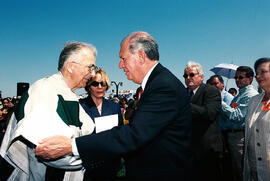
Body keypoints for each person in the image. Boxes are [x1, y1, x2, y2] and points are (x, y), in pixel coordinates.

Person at [35, 31, 193, 181]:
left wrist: (72, 146)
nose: (119, 65)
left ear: (141, 56)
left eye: (123, 59)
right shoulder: (158, 82)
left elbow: (134, 134)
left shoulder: (163, 85)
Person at [0, 42, 99, 180]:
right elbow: (50, 151)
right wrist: (99, 152)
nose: (93, 73)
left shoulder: (67, 93)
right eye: (90, 67)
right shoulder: (44, 90)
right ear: (70, 66)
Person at [79, 68, 124, 180]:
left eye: (102, 83)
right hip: (89, 166)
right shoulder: (80, 106)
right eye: (95, 83)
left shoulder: (114, 106)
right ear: (89, 86)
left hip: (111, 164)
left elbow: (121, 132)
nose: (99, 87)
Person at [184, 61, 223, 181]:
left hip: (208, 149)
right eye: (185, 76)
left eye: (191, 75)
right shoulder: (183, 93)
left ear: (201, 77)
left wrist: (185, 105)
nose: (188, 78)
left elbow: (209, 113)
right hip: (188, 148)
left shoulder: (211, 91)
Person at [220, 66, 258, 181]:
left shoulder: (249, 95)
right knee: (235, 169)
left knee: (240, 170)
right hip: (232, 135)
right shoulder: (240, 95)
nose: (237, 80)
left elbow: (236, 116)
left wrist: (220, 102)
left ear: (250, 78)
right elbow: (233, 110)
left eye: (240, 77)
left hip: (239, 137)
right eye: (236, 77)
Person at [243, 58, 270, 181]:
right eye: (256, 73)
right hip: (253, 166)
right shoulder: (253, 101)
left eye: (263, 72)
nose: (258, 76)